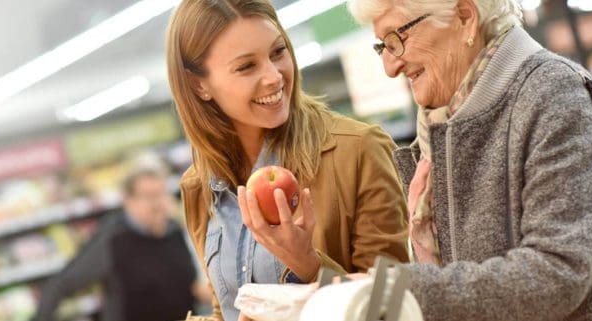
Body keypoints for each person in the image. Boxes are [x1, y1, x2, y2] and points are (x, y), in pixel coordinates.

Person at [343, 0, 592, 320]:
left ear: (464, 17)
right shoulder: (444, 128)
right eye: (381, 46)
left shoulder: (554, 93)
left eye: (396, 38)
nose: (390, 66)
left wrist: (399, 290)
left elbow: (557, 273)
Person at [165, 0, 410, 320]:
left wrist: (307, 262)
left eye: (278, 52)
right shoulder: (199, 185)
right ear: (199, 84)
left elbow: (392, 306)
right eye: (246, 66)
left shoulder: (359, 151)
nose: (274, 77)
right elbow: (228, 307)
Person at [33, 167, 210, 321]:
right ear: (128, 200)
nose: (158, 203)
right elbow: (61, 284)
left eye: (161, 194)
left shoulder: (174, 231)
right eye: (149, 196)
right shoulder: (113, 240)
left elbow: (191, 283)